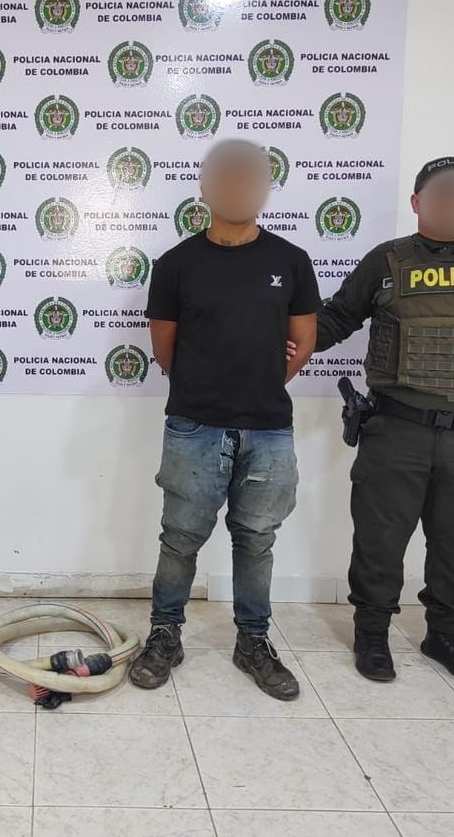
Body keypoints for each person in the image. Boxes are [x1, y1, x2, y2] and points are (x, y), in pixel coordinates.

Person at [316, 156, 454, 684]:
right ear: (418, 202)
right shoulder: (386, 261)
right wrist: (280, 339)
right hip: (398, 428)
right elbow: (338, 318)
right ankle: (372, 634)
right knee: (380, 539)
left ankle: (446, 634)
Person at [129, 139, 319, 700]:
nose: (238, 188)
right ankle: (165, 635)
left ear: (265, 188)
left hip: (268, 428)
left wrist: (258, 382)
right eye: (226, 178)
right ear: (205, 188)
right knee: (180, 538)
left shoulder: (291, 261)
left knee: (256, 539)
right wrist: (209, 387)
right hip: (194, 426)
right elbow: (165, 351)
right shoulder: (176, 265)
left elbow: (303, 342)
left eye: (250, 179)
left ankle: (253, 641)